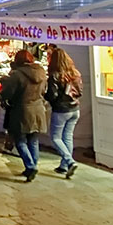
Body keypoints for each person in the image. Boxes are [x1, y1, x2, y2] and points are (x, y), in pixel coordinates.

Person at [1, 49, 48, 182]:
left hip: (22, 110)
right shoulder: (41, 72)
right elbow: (45, 90)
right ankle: (32, 165)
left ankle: (30, 166)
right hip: (38, 109)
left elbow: (8, 93)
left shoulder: (17, 75)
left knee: (20, 140)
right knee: (33, 140)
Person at [45, 48, 82, 178]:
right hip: (75, 109)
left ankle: (69, 161)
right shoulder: (75, 73)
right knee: (67, 136)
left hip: (61, 110)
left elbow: (52, 95)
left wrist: (46, 97)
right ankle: (64, 166)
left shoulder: (55, 75)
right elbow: (80, 91)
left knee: (55, 137)